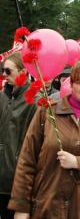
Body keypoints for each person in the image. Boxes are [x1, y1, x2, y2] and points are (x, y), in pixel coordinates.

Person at [8, 59, 80, 218]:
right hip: (45, 207)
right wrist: (21, 208)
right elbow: (27, 161)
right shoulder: (47, 113)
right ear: (71, 84)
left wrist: (79, 163)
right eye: (79, 82)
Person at [0, 53, 37, 219]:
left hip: (17, 180)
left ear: (23, 71)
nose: (4, 75)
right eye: (3, 71)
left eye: (9, 71)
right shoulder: (2, 96)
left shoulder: (34, 100)